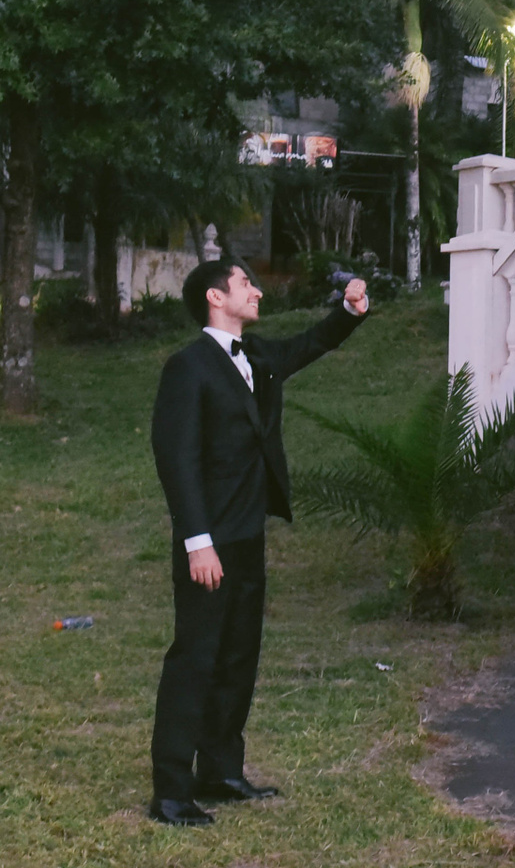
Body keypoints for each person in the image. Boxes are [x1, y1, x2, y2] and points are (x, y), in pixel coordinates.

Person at [144, 258, 369, 828]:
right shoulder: (187, 368)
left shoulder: (259, 357)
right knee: (195, 659)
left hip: (248, 535)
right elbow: (176, 458)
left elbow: (311, 344)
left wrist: (347, 312)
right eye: (246, 283)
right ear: (216, 297)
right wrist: (198, 541)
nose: (257, 291)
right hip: (209, 540)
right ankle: (171, 793)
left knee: (239, 656)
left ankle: (219, 772)